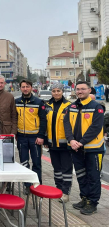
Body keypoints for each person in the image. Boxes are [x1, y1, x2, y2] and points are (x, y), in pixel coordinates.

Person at [64, 81, 105, 215]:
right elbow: (67, 126)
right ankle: (85, 198)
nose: (80, 91)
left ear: (89, 90)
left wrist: (80, 142)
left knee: (93, 176)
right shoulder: (72, 107)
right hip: (76, 148)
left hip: (93, 149)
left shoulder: (96, 107)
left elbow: (95, 128)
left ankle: (92, 203)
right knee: (81, 175)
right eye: (78, 89)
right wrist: (71, 140)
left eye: (83, 89)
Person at [15, 79, 47, 194]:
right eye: (23, 87)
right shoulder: (16, 101)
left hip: (35, 138)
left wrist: (41, 136)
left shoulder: (38, 102)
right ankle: (27, 186)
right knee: (24, 163)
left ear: (31, 87)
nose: (25, 89)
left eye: (27, 86)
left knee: (36, 162)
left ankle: (37, 185)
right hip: (21, 137)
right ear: (20, 88)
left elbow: (43, 120)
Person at [45, 83, 72, 203]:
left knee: (66, 169)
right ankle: (59, 189)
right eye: (54, 91)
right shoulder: (47, 106)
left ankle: (66, 192)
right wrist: (46, 139)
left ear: (62, 92)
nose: (56, 93)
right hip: (52, 143)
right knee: (56, 168)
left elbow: (72, 124)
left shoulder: (69, 106)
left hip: (65, 144)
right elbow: (44, 124)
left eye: (58, 91)